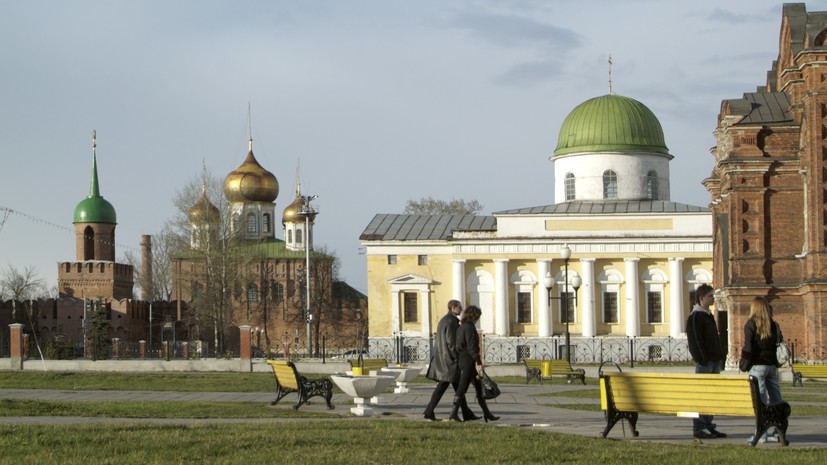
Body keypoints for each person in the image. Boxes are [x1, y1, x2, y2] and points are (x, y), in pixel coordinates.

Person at [423, 300, 479, 421]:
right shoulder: (451, 321)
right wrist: (458, 357)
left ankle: (466, 413)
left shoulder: (444, 320)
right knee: (453, 387)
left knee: (456, 387)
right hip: (450, 361)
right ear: (453, 308)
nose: (461, 309)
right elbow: (451, 342)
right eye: (459, 307)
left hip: (444, 359)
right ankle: (429, 412)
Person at [686, 283, 727, 439]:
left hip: (714, 361)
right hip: (705, 362)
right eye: (710, 296)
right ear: (701, 298)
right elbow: (695, 341)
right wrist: (702, 359)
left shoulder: (708, 315)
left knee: (711, 395)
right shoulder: (696, 316)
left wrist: (719, 356)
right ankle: (699, 427)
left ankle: (709, 425)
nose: (713, 299)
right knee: (702, 395)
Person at [742, 297, 784, 443]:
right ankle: (779, 432)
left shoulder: (751, 324)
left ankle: (762, 435)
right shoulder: (773, 324)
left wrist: (744, 365)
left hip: (758, 366)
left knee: (761, 401)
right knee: (776, 400)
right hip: (771, 366)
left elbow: (748, 347)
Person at [450, 305, 499, 422]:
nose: (478, 319)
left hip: (463, 359)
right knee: (462, 388)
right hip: (469, 362)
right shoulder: (470, 328)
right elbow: (472, 347)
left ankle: (487, 413)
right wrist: (478, 361)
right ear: (474, 316)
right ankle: (453, 414)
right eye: (477, 317)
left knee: (479, 388)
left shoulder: (461, 327)